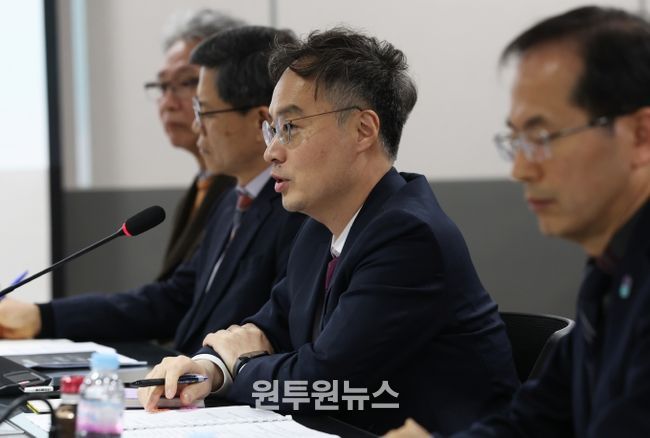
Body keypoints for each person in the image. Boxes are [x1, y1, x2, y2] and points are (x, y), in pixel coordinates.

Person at [139, 28, 518, 436]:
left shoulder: (409, 235)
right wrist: (206, 369)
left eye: (290, 127)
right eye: (272, 130)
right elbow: (267, 328)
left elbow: (323, 384)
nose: (271, 151)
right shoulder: (319, 230)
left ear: (363, 130)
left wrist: (241, 368)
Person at [385, 6, 650, 438]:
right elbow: (535, 421)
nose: (520, 169)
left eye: (541, 137)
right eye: (517, 139)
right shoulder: (611, 267)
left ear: (640, 136)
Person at [0, 26, 305, 356]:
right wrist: (45, 317)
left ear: (259, 120)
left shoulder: (295, 209)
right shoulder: (232, 200)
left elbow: (276, 333)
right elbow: (174, 299)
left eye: (204, 112)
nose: (196, 126)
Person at [146, 9, 243, 280]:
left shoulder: (246, 191)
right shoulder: (195, 193)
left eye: (187, 82)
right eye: (163, 86)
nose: (168, 103)